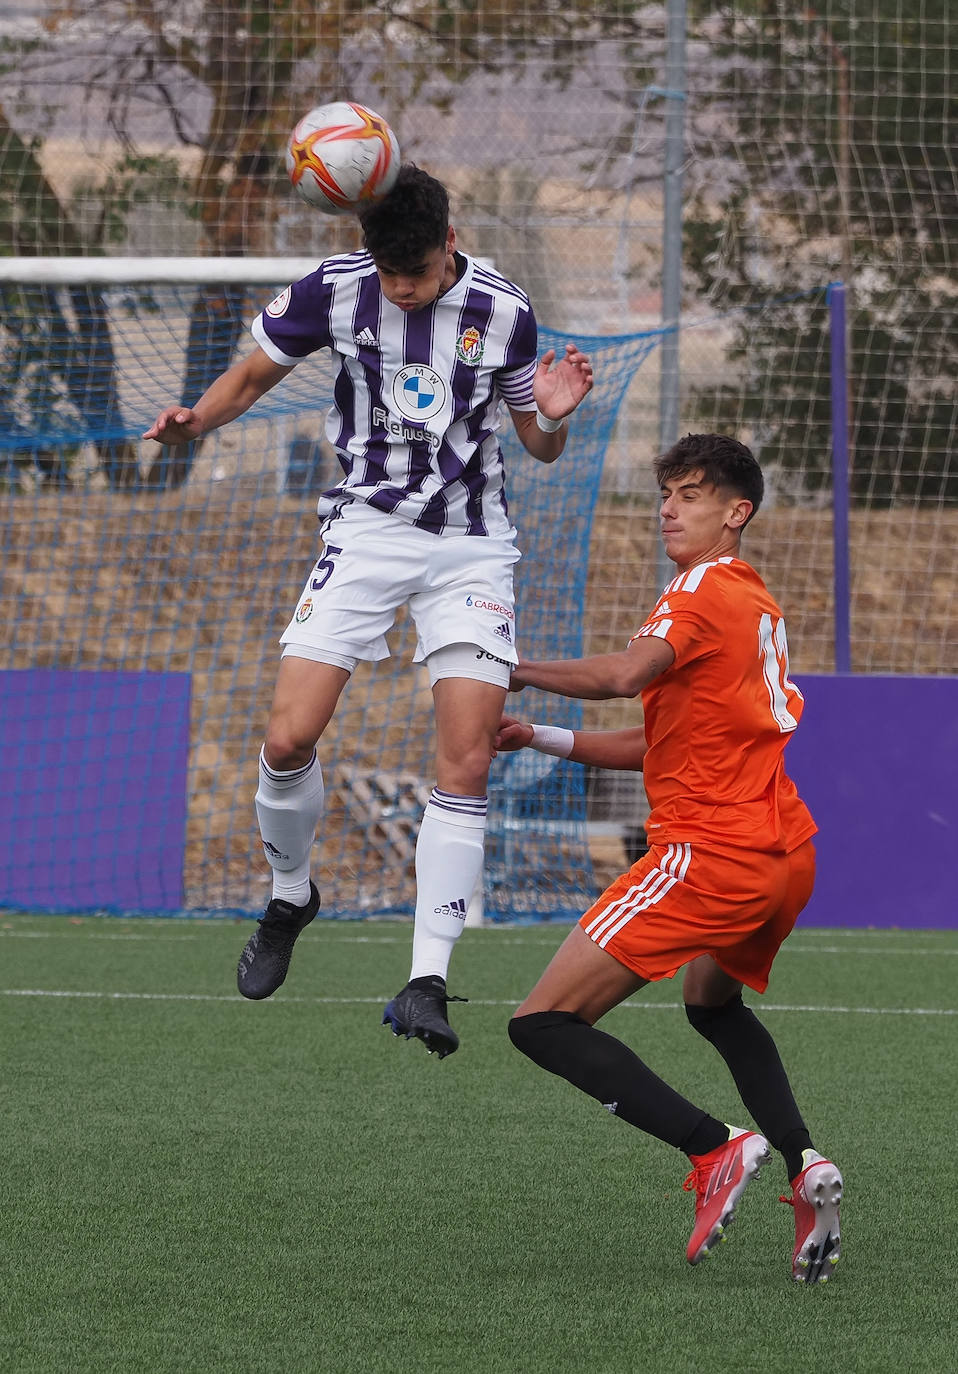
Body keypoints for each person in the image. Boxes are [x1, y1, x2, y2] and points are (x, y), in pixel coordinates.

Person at [143, 164, 594, 1057]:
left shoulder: (505, 310)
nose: (402, 290)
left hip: (471, 545)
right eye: (389, 274)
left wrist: (552, 417)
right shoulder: (335, 290)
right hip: (365, 531)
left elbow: (538, 444)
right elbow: (252, 376)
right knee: (286, 740)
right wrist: (197, 421)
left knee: (467, 755)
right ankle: (291, 896)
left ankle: (427, 980)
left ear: (449, 244)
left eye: (416, 274)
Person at [495, 433, 842, 1283]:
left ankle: (712, 1147)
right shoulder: (753, 599)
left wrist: (511, 667)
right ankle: (805, 1162)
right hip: (784, 855)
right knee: (712, 1007)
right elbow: (663, 743)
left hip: (710, 855)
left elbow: (626, 675)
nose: (668, 510)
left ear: (736, 512)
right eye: (665, 494)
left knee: (541, 1023)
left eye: (691, 495)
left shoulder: (695, 591)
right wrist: (540, 735)